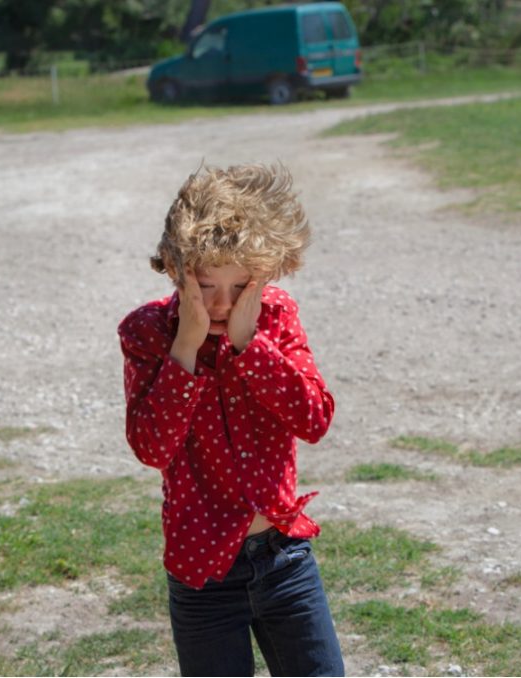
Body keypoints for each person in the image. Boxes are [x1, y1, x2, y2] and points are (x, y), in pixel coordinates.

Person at [117, 162, 344, 677]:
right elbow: (151, 448)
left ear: (264, 274)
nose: (222, 303)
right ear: (176, 270)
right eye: (205, 285)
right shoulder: (147, 333)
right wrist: (186, 347)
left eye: (240, 286)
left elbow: (314, 419)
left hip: (285, 560)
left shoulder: (277, 316)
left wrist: (249, 343)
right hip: (202, 577)